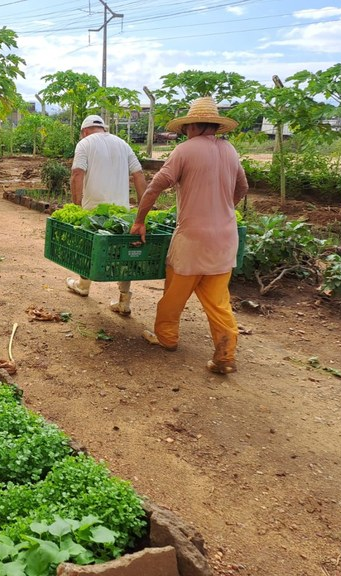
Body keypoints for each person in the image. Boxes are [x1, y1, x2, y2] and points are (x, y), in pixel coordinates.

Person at [130, 96, 248, 374]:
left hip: (192, 240)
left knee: (174, 296)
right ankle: (225, 355)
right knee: (219, 302)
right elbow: (242, 187)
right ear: (215, 126)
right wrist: (223, 208)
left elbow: (155, 186)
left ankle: (167, 339)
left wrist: (139, 220)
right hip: (225, 240)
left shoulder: (184, 151)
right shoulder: (230, 151)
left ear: (191, 126)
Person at [66, 114, 147, 315]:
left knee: (88, 247)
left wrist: (76, 205)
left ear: (84, 131)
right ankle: (124, 300)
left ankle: (83, 286)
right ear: (104, 128)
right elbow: (139, 174)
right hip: (121, 212)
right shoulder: (123, 144)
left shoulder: (84, 144)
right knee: (123, 254)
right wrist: (142, 211)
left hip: (94, 211)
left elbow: (77, 173)